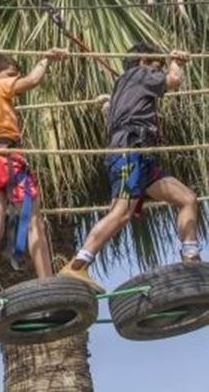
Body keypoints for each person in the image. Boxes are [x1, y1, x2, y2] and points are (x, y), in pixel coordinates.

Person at [59, 43, 201, 293]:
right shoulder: (139, 74)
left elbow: (119, 114)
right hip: (129, 151)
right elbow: (174, 80)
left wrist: (108, 105)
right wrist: (176, 61)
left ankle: (191, 258)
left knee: (187, 198)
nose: (159, 72)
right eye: (157, 67)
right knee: (121, 212)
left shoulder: (124, 87)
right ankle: (78, 264)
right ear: (144, 61)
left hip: (143, 156)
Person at [0, 49, 68, 296]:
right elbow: (32, 81)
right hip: (7, 159)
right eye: (10, 74)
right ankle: (47, 281)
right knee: (33, 221)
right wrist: (45, 60)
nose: (13, 79)